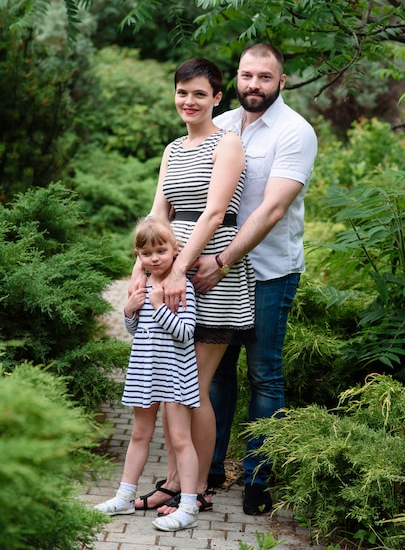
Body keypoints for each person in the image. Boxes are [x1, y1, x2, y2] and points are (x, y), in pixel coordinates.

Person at [189, 43, 318, 516]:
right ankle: (212, 468)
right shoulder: (220, 126)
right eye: (246, 76)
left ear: (282, 81)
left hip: (267, 272)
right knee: (218, 375)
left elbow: (272, 209)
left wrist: (220, 259)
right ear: (235, 80)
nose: (254, 85)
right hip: (216, 273)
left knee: (264, 375)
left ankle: (260, 479)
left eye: (265, 77)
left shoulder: (295, 132)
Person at [129, 57, 255, 514]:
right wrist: (139, 272)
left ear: (218, 98)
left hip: (209, 277)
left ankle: (196, 490)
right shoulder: (172, 149)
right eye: (183, 92)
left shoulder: (229, 143)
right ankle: (173, 484)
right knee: (170, 389)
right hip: (171, 272)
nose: (189, 101)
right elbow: (159, 212)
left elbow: (214, 214)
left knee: (192, 389)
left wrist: (180, 268)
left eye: (200, 93)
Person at [94, 216, 200, 531]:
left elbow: (185, 332)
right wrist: (129, 309)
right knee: (139, 434)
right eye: (146, 253)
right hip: (145, 370)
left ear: (175, 250)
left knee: (181, 438)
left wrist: (160, 306)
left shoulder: (182, 288)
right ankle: (125, 497)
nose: (155, 258)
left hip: (175, 372)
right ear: (138, 256)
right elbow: (137, 329)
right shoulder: (144, 285)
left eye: (161, 250)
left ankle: (189, 506)